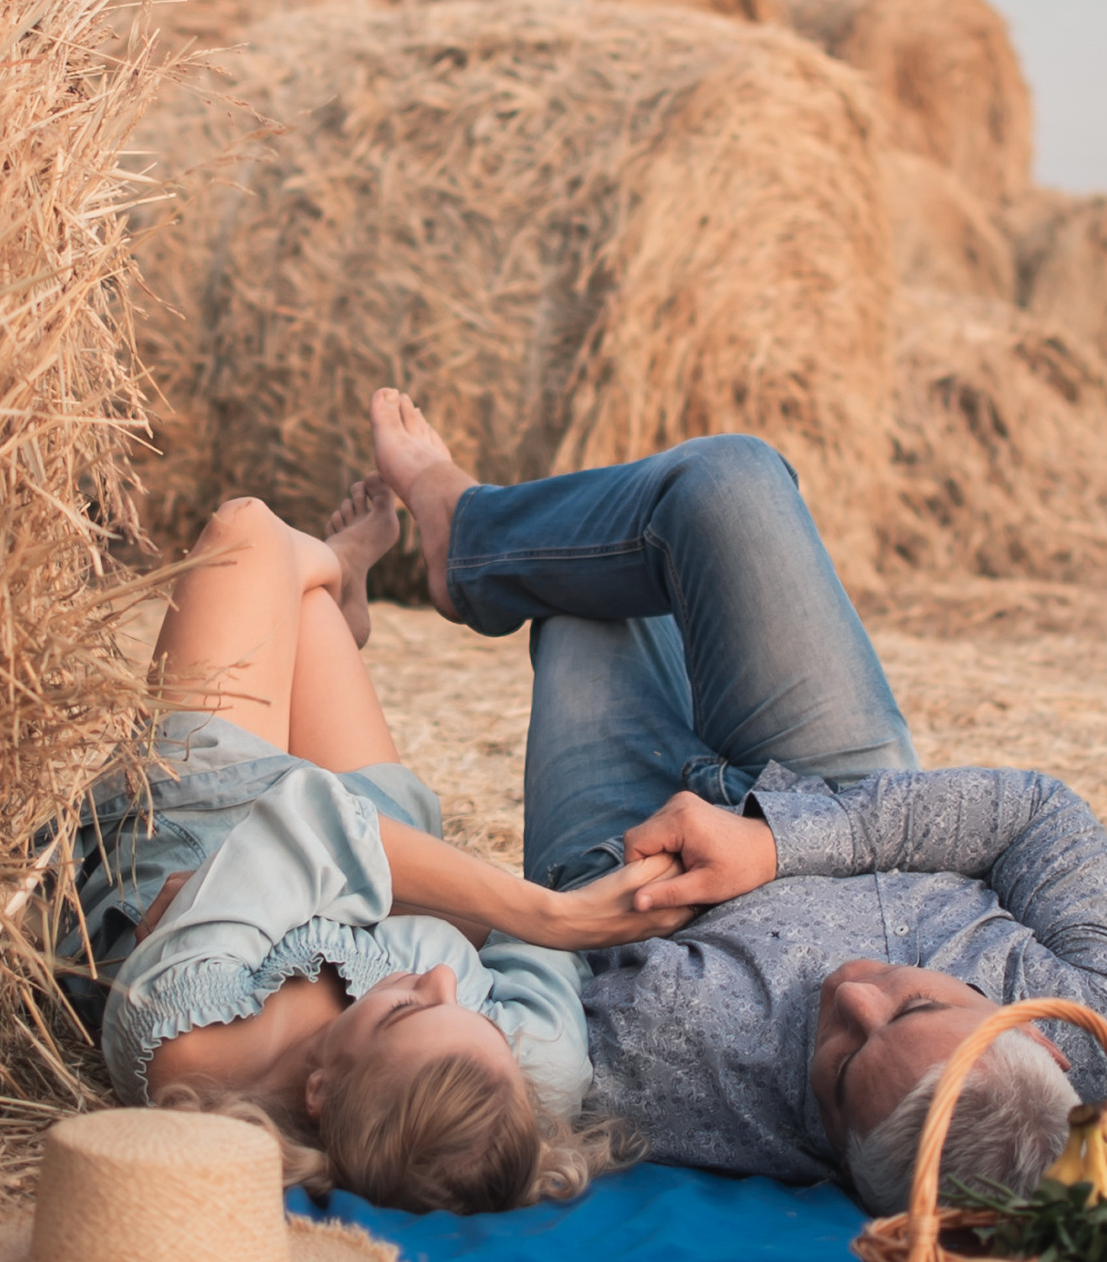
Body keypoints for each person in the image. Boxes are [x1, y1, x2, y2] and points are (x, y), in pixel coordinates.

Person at [361, 389, 1107, 1213]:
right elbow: (1036, 814)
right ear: (1035, 1034)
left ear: (839, 1159)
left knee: (581, 596)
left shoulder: (682, 1089)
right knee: (730, 479)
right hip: (845, 790)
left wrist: (583, 901)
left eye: (839, 1066)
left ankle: (476, 542)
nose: (852, 993)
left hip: (629, 842)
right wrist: (775, 844)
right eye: (918, 1001)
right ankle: (463, 532)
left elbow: (531, 980)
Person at [53, 479, 696, 1214]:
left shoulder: (186, 1036)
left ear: (321, 1092)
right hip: (370, 838)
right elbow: (516, 955)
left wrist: (546, 916)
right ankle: (334, 577)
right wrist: (463, 918)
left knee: (247, 532)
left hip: (208, 811)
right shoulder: (522, 1071)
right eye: (471, 1010)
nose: (443, 985)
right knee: (307, 608)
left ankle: (330, 561)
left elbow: (307, 822)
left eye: (405, 1011)